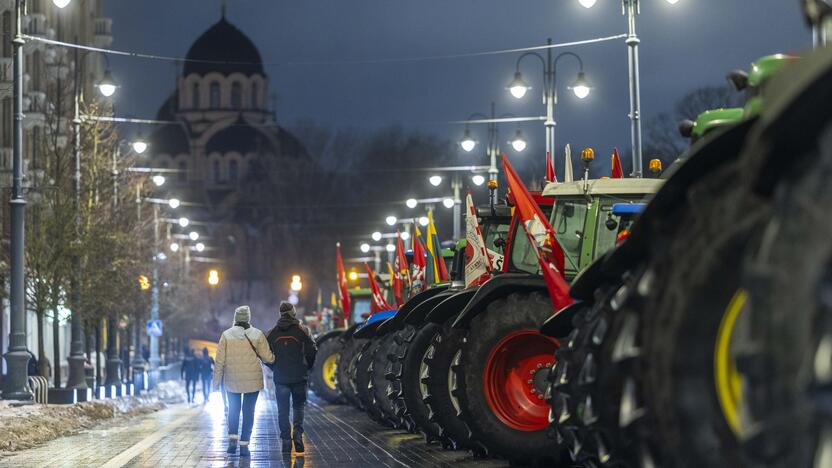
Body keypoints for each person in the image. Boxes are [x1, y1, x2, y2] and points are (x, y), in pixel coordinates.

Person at [213, 305, 275, 457]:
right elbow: (267, 358)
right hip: (252, 380)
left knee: (233, 409)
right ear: (248, 318)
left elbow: (219, 361)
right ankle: (244, 445)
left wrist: (216, 382)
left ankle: (232, 439)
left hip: (231, 379)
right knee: (249, 412)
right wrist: (274, 358)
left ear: (235, 318)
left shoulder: (226, 335)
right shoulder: (258, 334)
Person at [266, 301, 317, 455]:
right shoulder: (303, 331)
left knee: (282, 410)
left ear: (280, 314)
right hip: (299, 376)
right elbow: (312, 350)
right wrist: (307, 366)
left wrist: (274, 367)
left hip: (281, 377)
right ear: (293, 313)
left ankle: (286, 441)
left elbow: (265, 355)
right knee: (298, 407)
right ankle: (298, 435)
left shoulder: (272, 333)